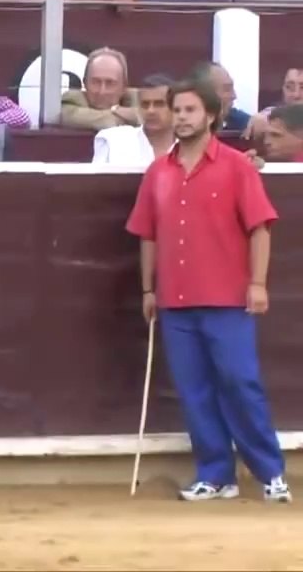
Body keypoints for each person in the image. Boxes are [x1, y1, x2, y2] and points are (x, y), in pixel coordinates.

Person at [126, 77, 292, 504]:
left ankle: (270, 472)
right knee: (194, 389)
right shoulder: (158, 170)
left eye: (189, 110)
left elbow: (260, 227)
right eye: (176, 110)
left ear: (212, 116)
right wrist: (148, 289)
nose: (180, 117)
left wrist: (257, 283)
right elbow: (148, 234)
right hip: (175, 299)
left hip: (228, 296)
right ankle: (216, 474)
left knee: (240, 382)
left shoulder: (236, 166)